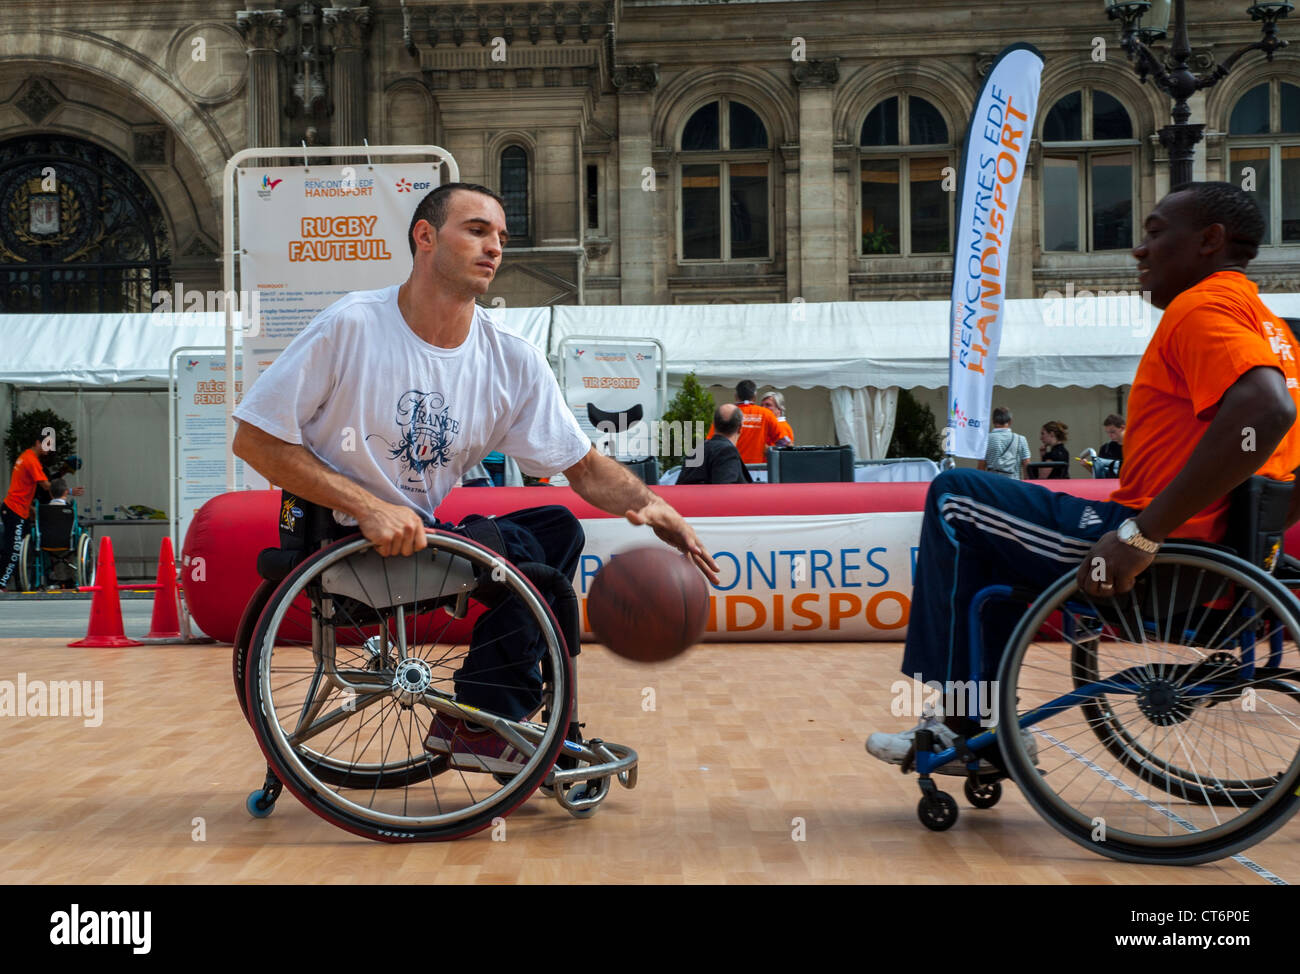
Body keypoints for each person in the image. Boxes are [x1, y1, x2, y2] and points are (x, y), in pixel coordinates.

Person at [233, 182, 719, 773]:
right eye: (477, 230)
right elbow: (255, 438)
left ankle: (479, 715)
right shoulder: (353, 326)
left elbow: (582, 466)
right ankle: (486, 721)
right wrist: (366, 505)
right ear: (425, 236)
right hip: (338, 541)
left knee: (558, 527)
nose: (495, 247)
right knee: (531, 571)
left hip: (419, 543)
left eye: (502, 237)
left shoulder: (509, 358)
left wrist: (653, 505)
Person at [865, 181, 1300, 773]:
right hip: (1218, 555)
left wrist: (1142, 536)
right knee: (992, 548)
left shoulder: (1201, 309)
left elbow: (1267, 411)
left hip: (1160, 546)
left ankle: (958, 723)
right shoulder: (1272, 327)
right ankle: (978, 728)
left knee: (953, 500)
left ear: (1210, 241)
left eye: (1153, 233)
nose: (1139, 252)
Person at [0, 434, 51, 591]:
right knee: (14, 549)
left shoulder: (25, 456)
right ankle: (1, 582)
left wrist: (29, 508)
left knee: (28, 543)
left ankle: (24, 581)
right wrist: (66, 490)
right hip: (15, 510)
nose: (49, 449)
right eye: (46, 445)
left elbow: (21, 487)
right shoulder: (31, 461)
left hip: (17, 509)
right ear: (37, 442)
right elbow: (46, 485)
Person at [707, 379, 786, 464]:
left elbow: (710, 442)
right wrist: (770, 452)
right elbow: (785, 443)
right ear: (754, 397)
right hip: (757, 470)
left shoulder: (726, 412)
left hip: (731, 466)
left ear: (736, 396)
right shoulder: (765, 414)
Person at [677, 404, 754, 485]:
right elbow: (724, 491)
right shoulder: (727, 452)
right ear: (740, 428)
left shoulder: (697, 450)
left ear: (714, 424)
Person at [977, 406, 1030, 480]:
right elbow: (1027, 466)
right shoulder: (1021, 439)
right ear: (1010, 421)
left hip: (993, 484)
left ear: (993, 421)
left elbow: (981, 468)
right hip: (1014, 484)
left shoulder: (985, 440)